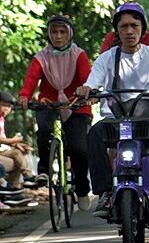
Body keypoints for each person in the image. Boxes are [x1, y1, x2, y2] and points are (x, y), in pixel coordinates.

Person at [77, 3, 149, 218]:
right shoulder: (106, 58)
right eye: (124, 26)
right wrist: (87, 89)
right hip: (115, 124)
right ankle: (105, 192)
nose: (129, 31)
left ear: (143, 30)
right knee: (93, 135)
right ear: (116, 31)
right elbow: (93, 82)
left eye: (134, 26)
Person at [18, 16, 93, 211]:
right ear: (48, 34)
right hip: (48, 103)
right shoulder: (41, 57)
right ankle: (43, 170)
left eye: (62, 32)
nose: (58, 36)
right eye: (54, 32)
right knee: (43, 130)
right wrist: (25, 95)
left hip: (76, 104)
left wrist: (89, 93)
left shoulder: (79, 55)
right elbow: (31, 78)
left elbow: (87, 79)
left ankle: (83, 189)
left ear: (70, 34)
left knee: (79, 148)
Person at [0, 90, 33, 188]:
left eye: (9, 107)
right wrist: (13, 141)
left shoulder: (2, 120)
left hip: (2, 151)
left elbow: (3, 141)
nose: (7, 109)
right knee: (17, 156)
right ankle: (28, 176)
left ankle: (13, 188)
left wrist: (16, 144)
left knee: (19, 154)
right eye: (4, 105)